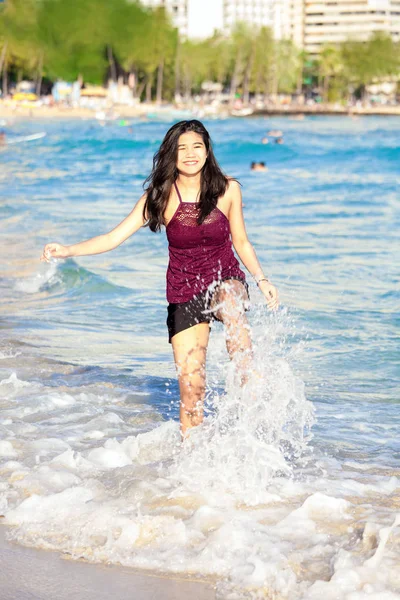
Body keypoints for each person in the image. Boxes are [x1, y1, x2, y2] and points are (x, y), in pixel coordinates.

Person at [40, 120, 279, 438]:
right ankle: (190, 466)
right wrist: (68, 250)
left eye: (197, 146)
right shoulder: (159, 197)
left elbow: (242, 242)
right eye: (182, 148)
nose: (190, 154)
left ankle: (249, 383)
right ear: (171, 155)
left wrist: (261, 280)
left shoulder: (228, 189)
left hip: (224, 277)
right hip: (183, 291)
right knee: (191, 391)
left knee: (230, 300)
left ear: (207, 151)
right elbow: (113, 238)